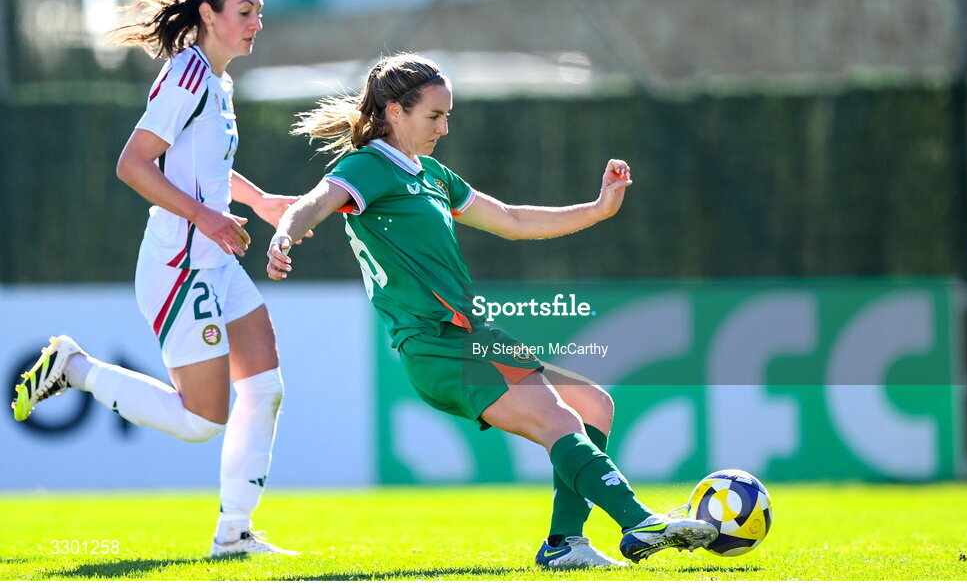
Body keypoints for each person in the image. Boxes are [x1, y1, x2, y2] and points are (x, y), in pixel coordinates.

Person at [266, 53, 718, 568]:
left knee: (592, 405)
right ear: (394, 111)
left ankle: (565, 543)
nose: (445, 126)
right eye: (434, 116)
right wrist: (285, 232)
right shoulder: (368, 166)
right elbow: (316, 200)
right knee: (558, 420)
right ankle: (640, 523)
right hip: (434, 343)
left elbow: (512, 219)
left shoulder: (432, 173)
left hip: (472, 334)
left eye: (447, 115)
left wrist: (597, 209)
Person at [10, 0, 303, 557]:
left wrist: (262, 201)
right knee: (201, 422)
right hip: (179, 263)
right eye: (245, 12)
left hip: (214, 260)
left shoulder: (215, 83)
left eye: (260, 13)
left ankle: (235, 533)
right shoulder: (187, 77)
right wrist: (206, 218)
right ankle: (75, 368)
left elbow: (205, 166)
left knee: (266, 385)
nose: (256, 23)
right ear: (208, 13)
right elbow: (133, 164)